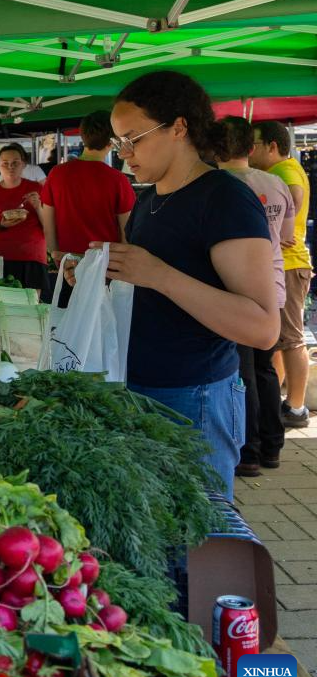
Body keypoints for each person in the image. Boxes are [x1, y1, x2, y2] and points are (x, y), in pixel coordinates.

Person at [70, 70, 278, 497]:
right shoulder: (149, 198)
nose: (124, 153)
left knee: (198, 528)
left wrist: (158, 275)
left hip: (194, 398)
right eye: (119, 142)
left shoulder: (224, 198)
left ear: (179, 127)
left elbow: (262, 327)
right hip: (139, 388)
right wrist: (100, 273)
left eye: (134, 138)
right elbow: (151, 288)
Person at [215, 117, 294, 476]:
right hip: (274, 285)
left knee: (241, 373)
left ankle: (248, 452)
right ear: (251, 147)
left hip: (236, 292)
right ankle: (272, 446)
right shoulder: (276, 183)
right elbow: (287, 236)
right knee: (265, 369)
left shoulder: (217, 187)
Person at [250, 120, 313, 429]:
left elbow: (294, 202)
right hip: (285, 265)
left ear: (272, 147)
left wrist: (277, 229)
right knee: (278, 339)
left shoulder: (284, 172)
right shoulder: (282, 171)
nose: (249, 152)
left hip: (288, 265)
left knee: (291, 339)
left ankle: (296, 408)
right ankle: (279, 403)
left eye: (254, 145)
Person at [36, 111, 136, 256]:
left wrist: (58, 258)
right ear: (113, 140)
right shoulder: (118, 180)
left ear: (83, 136)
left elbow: (48, 228)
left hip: (68, 262)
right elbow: (126, 233)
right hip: (106, 263)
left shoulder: (57, 174)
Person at [0, 144, 48, 293]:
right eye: (5, 163)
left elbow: (51, 228)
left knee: (32, 304)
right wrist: (0, 225)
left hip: (32, 258)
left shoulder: (37, 189)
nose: (10, 167)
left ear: (23, 164)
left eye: (15, 163)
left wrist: (38, 207)